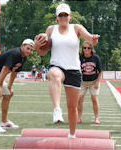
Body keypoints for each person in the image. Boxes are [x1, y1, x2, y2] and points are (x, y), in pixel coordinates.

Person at [34, 3, 99, 138]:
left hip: (74, 70)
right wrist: (37, 45)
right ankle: (57, 109)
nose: (63, 17)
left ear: (70, 17)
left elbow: (90, 39)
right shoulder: (51, 29)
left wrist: (93, 39)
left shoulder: (76, 28)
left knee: (72, 107)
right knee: (54, 75)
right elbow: (42, 52)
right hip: (57, 66)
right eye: (60, 15)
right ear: (57, 18)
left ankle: (72, 134)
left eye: (66, 15)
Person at [0, 39, 34, 133]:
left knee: (8, 94)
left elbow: (14, 72)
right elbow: (5, 68)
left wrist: (9, 86)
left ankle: (4, 121)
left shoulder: (23, 58)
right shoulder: (15, 53)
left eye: (31, 50)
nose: (29, 51)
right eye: (28, 48)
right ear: (22, 46)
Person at [77, 41, 102, 124]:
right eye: (84, 48)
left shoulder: (96, 58)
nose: (86, 49)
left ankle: (97, 118)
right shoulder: (79, 58)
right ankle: (79, 118)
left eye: (88, 48)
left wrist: (98, 82)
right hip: (82, 82)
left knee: (94, 99)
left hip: (93, 81)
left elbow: (101, 71)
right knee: (79, 100)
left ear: (91, 49)